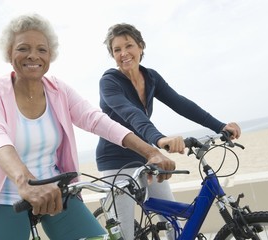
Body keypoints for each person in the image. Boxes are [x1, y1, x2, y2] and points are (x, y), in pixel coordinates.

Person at [0, 14, 177, 240]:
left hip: (57, 193)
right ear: (10, 52)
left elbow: (97, 120)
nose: (33, 55)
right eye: (23, 48)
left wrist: (151, 152)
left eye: (42, 49)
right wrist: (25, 182)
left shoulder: (58, 91)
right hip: (5, 198)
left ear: (50, 55)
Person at [96, 23, 242, 239]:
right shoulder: (109, 82)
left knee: (175, 221)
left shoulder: (151, 77)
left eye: (129, 46)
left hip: (147, 157)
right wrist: (160, 139)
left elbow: (181, 103)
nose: (124, 53)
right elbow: (132, 114)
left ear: (141, 47)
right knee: (125, 233)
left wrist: (220, 126)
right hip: (116, 161)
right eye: (117, 50)